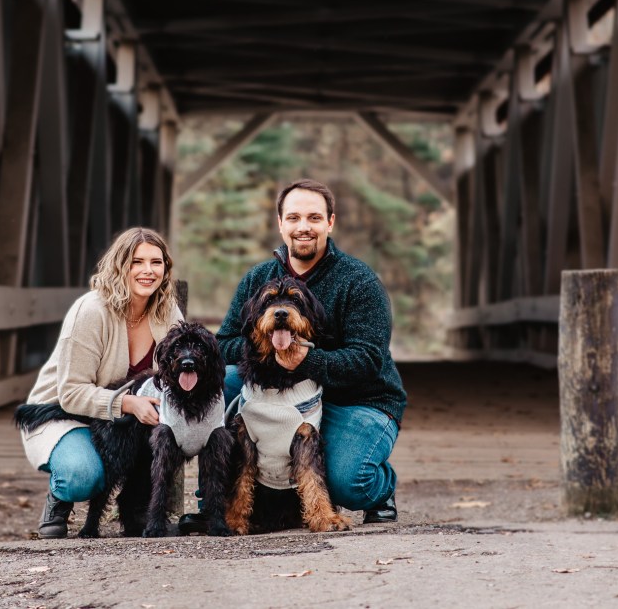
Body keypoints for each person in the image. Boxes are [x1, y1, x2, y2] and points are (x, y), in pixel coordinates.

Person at [179, 179, 406, 534]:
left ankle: (379, 490)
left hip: (356, 398)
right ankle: (215, 500)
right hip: (278, 386)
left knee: (349, 482)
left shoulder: (359, 281)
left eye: (314, 218)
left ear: (330, 223)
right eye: (295, 217)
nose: (304, 227)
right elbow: (223, 344)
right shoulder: (258, 277)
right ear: (281, 223)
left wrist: (306, 360)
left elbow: (367, 360)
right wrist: (268, 352)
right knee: (218, 382)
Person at [20, 227, 183, 539]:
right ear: (120, 265)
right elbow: (70, 392)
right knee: (82, 476)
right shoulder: (92, 310)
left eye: (156, 262)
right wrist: (125, 402)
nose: (148, 271)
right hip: (64, 414)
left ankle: (136, 512)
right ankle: (60, 496)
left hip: (124, 421)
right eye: (137, 262)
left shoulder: (166, 309)